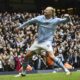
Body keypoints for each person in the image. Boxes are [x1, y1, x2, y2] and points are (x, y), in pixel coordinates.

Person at [14, 6, 71, 77]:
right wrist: (19, 27)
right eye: (45, 10)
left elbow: (66, 21)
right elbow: (29, 22)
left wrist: (68, 17)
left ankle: (66, 70)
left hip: (47, 42)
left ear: (51, 12)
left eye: (47, 10)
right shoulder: (39, 18)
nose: (45, 11)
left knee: (51, 56)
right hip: (38, 42)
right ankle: (23, 72)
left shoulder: (55, 20)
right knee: (27, 56)